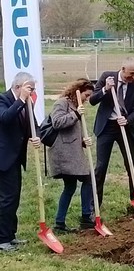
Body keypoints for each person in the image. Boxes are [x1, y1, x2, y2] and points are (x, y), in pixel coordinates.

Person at [89, 57, 134, 208]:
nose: (133, 77)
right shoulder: (107, 77)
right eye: (131, 74)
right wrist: (105, 89)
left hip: (125, 128)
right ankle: (94, 206)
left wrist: (127, 120)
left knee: (131, 165)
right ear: (122, 69)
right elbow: (92, 100)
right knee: (101, 167)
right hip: (106, 126)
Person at [47, 78, 95, 232]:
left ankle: (60, 223)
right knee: (84, 180)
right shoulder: (62, 103)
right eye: (86, 95)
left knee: (72, 185)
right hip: (63, 153)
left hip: (73, 152)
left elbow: (73, 131)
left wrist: (82, 141)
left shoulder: (76, 105)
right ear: (78, 91)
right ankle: (85, 217)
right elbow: (57, 123)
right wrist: (75, 114)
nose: (87, 99)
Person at [0, 72, 41, 252]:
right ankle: (2, 240)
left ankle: (10, 235)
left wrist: (37, 137)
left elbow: (34, 126)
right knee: (6, 199)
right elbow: (6, 119)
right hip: (3, 158)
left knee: (14, 198)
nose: (32, 92)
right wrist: (21, 100)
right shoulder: (3, 100)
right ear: (18, 87)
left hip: (16, 159)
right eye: (29, 88)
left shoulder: (27, 103)